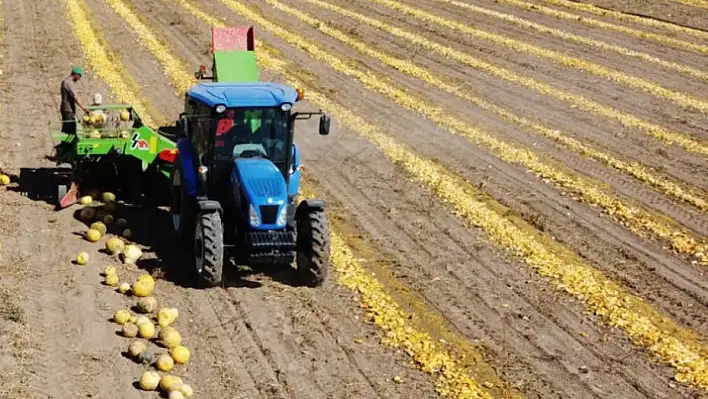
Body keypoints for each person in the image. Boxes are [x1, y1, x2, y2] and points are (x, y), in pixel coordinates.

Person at [54, 66, 89, 159]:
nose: (79, 78)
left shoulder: (66, 82)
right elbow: (75, 97)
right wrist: (84, 108)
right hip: (68, 110)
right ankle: (65, 151)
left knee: (67, 129)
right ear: (76, 74)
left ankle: (64, 149)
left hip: (66, 109)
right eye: (79, 76)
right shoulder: (69, 83)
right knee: (70, 130)